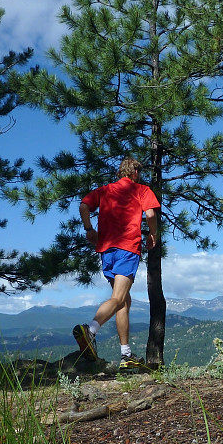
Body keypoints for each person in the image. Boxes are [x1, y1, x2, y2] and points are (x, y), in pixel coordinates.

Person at [72, 157, 160, 370]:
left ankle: (126, 354)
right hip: (127, 248)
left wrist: (89, 229)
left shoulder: (104, 190)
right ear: (136, 173)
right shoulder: (141, 190)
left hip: (107, 250)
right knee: (118, 298)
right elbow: (149, 213)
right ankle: (90, 330)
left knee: (124, 301)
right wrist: (153, 233)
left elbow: (84, 205)